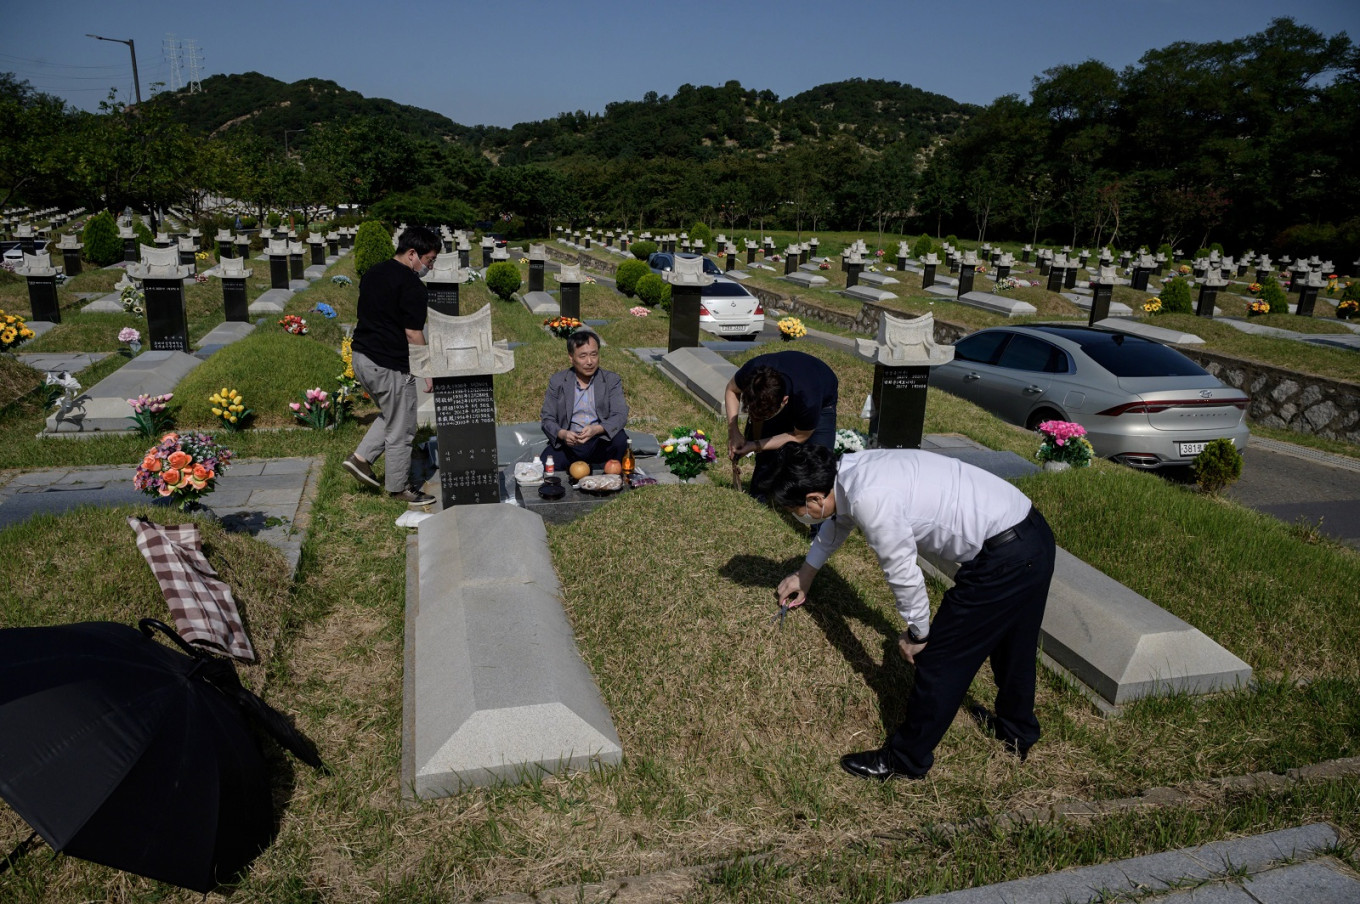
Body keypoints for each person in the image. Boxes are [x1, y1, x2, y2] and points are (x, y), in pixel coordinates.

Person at [762, 443, 1056, 781]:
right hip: (1031, 534)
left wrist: (919, 633)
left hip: (1005, 557)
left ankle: (906, 759)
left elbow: (902, 571)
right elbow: (838, 522)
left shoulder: (869, 498)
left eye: (793, 509)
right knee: (1014, 644)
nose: (796, 516)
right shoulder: (850, 471)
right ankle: (1016, 733)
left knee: (941, 660)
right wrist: (805, 574)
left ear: (814, 499)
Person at [343, 225, 440, 506]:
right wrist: (427, 369)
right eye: (429, 260)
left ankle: (360, 459)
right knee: (403, 427)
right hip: (389, 364)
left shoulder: (373, 272)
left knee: (392, 413)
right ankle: (399, 487)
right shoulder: (412, 286)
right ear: (412, 254)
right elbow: (413, 332)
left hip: (362, 357)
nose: (429, 267)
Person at [725, 350, 837, 497]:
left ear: (784, 401)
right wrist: (734, 432)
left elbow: (799, 436)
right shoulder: (753, 372)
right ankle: (760, 497)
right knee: (767, 455)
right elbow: (731, 390)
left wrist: (754, 445)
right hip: (789, 382)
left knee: (819, 464)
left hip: (822, 391)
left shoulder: (809, 399)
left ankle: (817, 513)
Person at [540, 331, 629, 472]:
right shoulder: (558, 381)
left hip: (600, 440)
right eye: (583, 356)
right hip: (570, 443)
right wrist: (563, 434)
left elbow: (620, 414)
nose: (589, 362)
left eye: (594, 354)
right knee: (546, 461)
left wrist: (596, 429)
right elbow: (547, 418)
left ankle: (612, 473)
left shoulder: (611, 380)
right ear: (571, 357)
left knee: (620, 440)